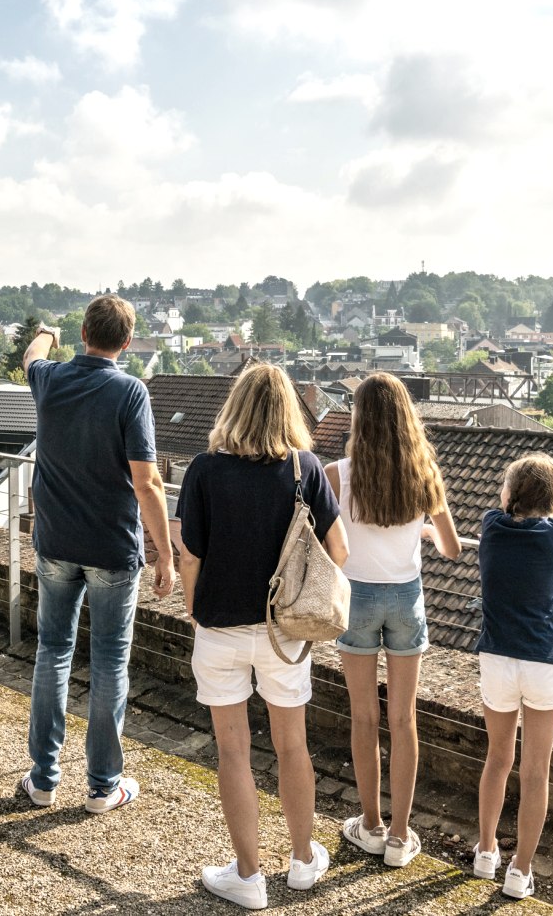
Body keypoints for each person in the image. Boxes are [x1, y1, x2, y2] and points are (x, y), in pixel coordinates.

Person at [176, 364, 350, 910]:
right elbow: (339, 552)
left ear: (236, 406)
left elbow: (190, 555)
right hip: (286, 630)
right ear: (289, 411)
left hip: (221, 626)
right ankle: (302, 860)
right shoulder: (306, 468)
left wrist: (196, 610)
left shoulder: (204, 470)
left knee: (233, 751)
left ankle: (248, 877)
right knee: (292, 745)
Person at [18, 297, 175, 814]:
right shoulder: (130, 391)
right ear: (127, 342)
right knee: (109, 659)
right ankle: (104, 786)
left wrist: (47, 330)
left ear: (85, 331)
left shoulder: (51, 380)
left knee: (53, 651)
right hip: (110, 548)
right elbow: (147, 483)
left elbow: (30, 356)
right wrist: (165, 556)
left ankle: (43, 780)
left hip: (56, 542)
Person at [330, 371, 460, 869]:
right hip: (406, 599)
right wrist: (423, 529)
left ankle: (370, 826)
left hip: (355, 597)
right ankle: (402, 838)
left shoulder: (336, 473)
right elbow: (450, 548)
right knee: (403, 720)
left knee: (363, 718)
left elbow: (325, 543)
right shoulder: (424, 472)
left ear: (359, 417)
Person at [472, 452, 553, 901]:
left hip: (497, 658)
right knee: (535, 771)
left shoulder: (490, 524)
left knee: (497, 759)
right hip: (542, 658)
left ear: (511, 492)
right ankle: (520, 870)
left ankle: (486, 852)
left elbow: (502, 510)